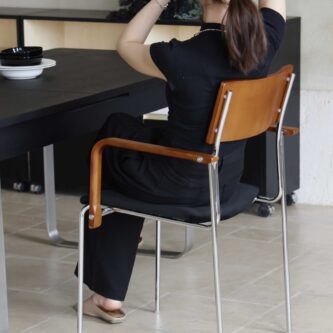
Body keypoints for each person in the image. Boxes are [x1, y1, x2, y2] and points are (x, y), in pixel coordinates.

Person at [77, 0, 286, 323]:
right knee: (125, 134)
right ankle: (117, 253)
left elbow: (126, 44)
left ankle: (108, 292)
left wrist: (160, 1)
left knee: (112, 137)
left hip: (179, 185)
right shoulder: (263, 44)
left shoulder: (179, 55)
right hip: (223, 182)